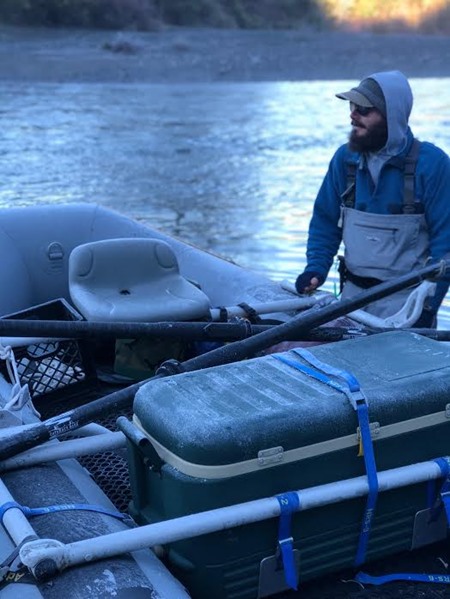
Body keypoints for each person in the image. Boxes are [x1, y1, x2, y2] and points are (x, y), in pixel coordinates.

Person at [295, 70, 450, 327]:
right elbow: (324, 222)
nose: (352, 116)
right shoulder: (344, 160)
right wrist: (316, 268)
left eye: (364, 110)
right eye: (353, 107)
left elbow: (446, 247)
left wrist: (427, 307)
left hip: (407, 305)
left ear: (393, 116)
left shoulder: (434, 165)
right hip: (350, 301)